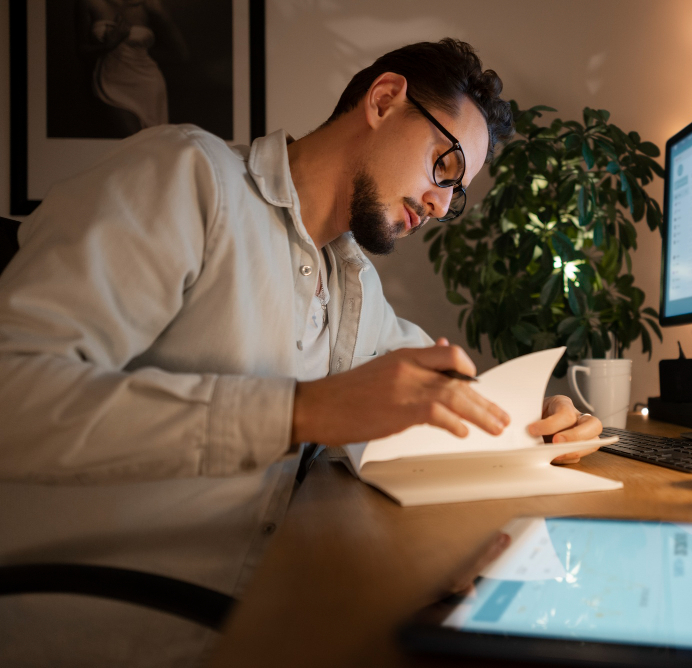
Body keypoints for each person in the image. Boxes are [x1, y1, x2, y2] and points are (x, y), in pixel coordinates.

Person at [0, 39, 601, 666]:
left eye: (458, 192)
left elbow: (451, 394)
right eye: (443, 166)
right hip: (108, 629)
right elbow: (10, 394)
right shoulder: (187, 178)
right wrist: (301, 411)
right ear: (385, 99)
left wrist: (540, 420)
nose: (440, 204)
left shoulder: (354, 284)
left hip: (269, 607)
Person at [76, 0, 188, 136]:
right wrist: (110, 45)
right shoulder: (90, 3)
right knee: (131, 141)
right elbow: (82, 51)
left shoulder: (151, 5)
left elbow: (180, 53)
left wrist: (140, 52)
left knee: (151, 143)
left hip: (148, 84)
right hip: (109, 83)